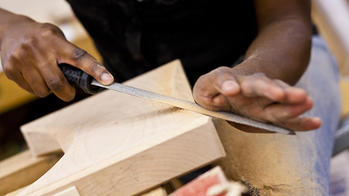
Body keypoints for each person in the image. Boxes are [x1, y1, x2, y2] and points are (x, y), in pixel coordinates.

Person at [0, 0, 341, 195]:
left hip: (265, 72)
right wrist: (8, 27)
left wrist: (249, 75)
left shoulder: (259, 77)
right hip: (138, 96)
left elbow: (285, 18)